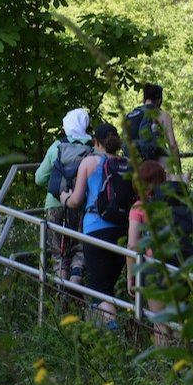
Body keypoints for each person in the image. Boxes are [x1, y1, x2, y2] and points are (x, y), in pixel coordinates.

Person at [62, 123, 129, 324]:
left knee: (101, 290)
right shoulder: (125, 163)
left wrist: (65, 197)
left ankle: (113, 340)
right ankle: (104, 332)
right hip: (123, 229)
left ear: (96, 142)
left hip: (96, 229)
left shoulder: (89, 162)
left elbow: (76, 200)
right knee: (107, 286)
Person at [126, 159, 193, 333]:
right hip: (180, 267)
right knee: (179, 324)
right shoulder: (179, 205)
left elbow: (133, 245)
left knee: (161, 326)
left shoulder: (139, 207)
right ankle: (183, 359)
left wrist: (131, 276)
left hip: (154, 269)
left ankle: (164, 360)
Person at [33, 108, 92, 282]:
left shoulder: (57, 146)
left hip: (56, 204)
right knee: (79, 250)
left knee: (59, 253)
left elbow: (39, 178)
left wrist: (58, 188)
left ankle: (61, 297)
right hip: (81, 204)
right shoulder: (91, 147)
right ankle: (74, 289)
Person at [124, 83, 183, 176]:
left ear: (144, 99)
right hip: (159, 165)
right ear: (159, 100)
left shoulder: (130, 115)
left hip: (136, 167)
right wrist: (179, 171)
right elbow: (172, 145)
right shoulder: (161, 115)